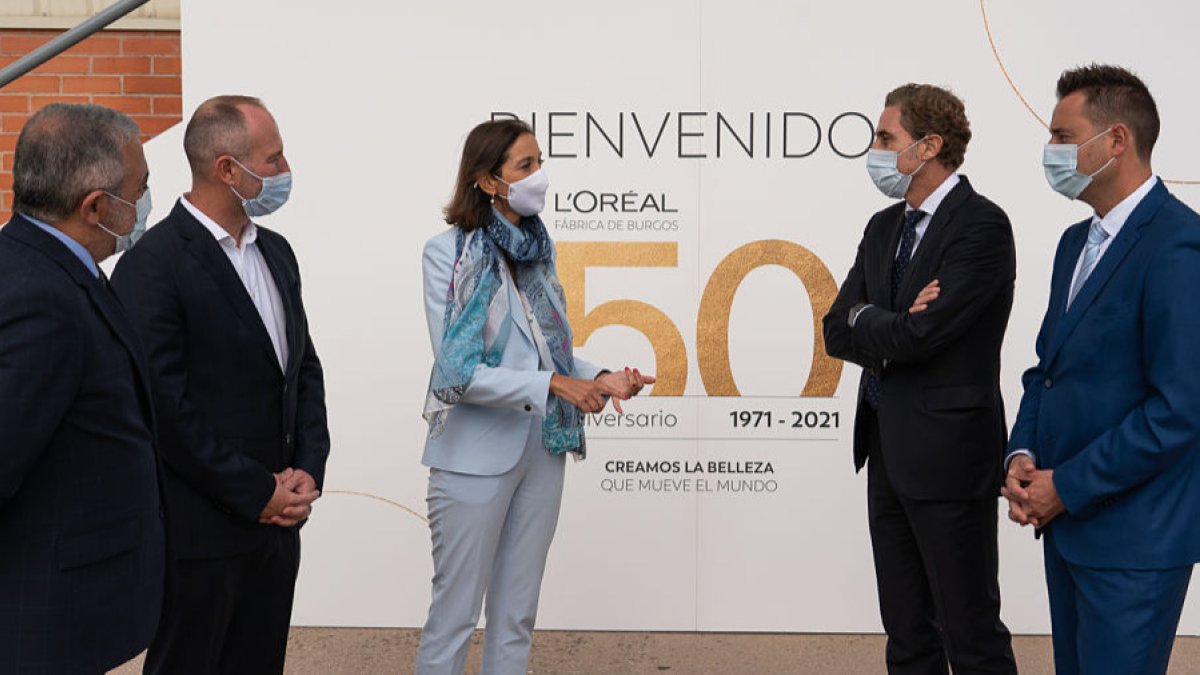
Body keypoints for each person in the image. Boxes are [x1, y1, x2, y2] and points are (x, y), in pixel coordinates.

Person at [416, 119, 653, 675]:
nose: (539, 176)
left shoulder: (538, 251)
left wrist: (601, 376)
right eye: (525, 166)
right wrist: (555, 385)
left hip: (542, 451)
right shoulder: (447, 254)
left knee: (516, 616)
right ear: (488, 181)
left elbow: (548, 351)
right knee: (454, 618)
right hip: (473, 459)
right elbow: (457, 370)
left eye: (540, 163)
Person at [111, 95, 329, 674]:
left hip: (278, 532)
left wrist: (307, 470)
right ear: (228, 169)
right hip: (199, 538)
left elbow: (303, 370)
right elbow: (166, 409)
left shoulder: (277, 253)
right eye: (273, 159)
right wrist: (255, 491)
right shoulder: (152, 265)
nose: (285, 170)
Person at [1002, 64, 1200, 675]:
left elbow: (1179, 410)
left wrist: (1067, 485)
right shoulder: (1074, 244)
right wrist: (1022, 456)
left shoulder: (1178, 244)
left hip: (1134, 544)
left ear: (1116, 140)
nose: (1051, 150)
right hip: (1068, 532)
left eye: (1063, 136)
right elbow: (1047, 370)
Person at [823, 84, 1017, 674]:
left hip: (950, 458)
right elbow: (835, 329)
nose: (875, 150)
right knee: (906, 634)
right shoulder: (883, 226)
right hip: (885, 451)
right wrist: (888, 318)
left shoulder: (982, 226)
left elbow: (922, 337)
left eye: (886, 139)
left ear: (929, 146)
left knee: (970, 633)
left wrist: (874, 319)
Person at [0, 103, 163, 672]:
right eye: (139, 190)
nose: (145, 203)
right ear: (94, 206)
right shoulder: (41, 297)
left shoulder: (43, 264)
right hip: (50, 612)